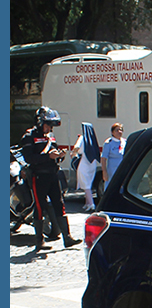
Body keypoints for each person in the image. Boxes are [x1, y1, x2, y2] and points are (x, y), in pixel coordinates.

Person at [19, 106, 81, 252]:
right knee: (40, 207)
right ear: (40, 122)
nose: (49, 128)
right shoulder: (29, 136)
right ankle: (39, 241)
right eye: (48, 125)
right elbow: (29, 158)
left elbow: (53, 154)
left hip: (53, 174)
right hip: (39, 176)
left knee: (59, 204)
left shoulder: (51, 136)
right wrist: (48, 156)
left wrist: (60, 155)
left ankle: (67, 237)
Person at [71, 121, 102, 211]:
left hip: (84, 163)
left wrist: (73, 154)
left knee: (85, 184)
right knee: (88, 183)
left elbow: (76, 148)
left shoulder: (82, 138)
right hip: (92, 164)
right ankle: (87, 203)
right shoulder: (92, 139)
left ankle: (91, 204)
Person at [100, 123, 126, 189]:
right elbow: (103, 159)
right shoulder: (109, 143)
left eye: (121, 130)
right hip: (112, 171)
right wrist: (104, 172)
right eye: (117, 130)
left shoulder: (124, 142)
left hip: (122, 170)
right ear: (112, 132)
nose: (119, 132)